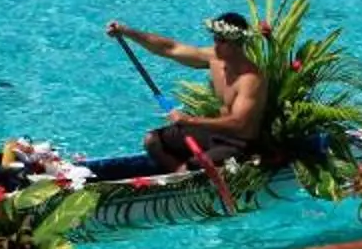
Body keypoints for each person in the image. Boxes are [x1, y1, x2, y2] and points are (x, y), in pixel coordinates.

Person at [86, 10, 271, 178]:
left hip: (239, 143)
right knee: (153, 141)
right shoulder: (214, 59)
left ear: (237, 43)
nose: (216, 46)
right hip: (213, 133)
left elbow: (239, 124)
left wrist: (189, 120)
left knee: (197, 165)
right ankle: (181, 175)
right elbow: (170, 48)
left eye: (222, 41)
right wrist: (127, 32)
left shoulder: (250, 79)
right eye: (215, 39)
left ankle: (190, 175)